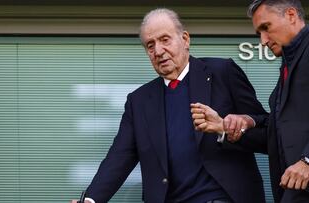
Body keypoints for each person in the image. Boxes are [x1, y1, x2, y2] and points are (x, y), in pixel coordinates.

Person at [71, 8, 267, 203]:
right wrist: (90, 200)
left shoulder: (222, 73)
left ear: (185, 39)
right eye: (150, 45)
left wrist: (225, 130)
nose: (158, 51)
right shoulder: (138, 101)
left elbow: (266, 134)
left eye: (165, 40)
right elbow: (119, 157)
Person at [192, 0, 309, 202]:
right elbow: (276, 135)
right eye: (258, 33)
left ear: (291, 15)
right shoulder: (287, 67)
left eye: (266, 27)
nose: (263, 40)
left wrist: (307, 160)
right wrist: (226, 126)